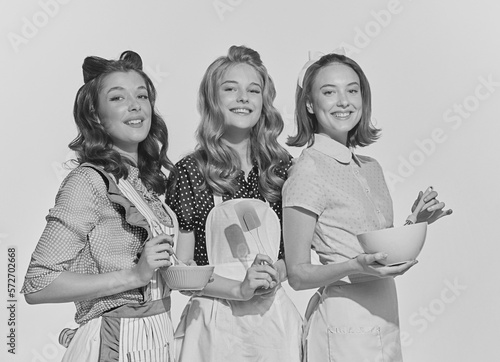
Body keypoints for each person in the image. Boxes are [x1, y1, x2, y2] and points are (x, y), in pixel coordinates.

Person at [282, 51, 453, 361]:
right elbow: (297, 274)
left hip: (385, 313)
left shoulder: (370, 167)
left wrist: (414, 222)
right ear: (309, 103)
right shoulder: (307, 170)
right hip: (344, 320)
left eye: (352, 89)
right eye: (329, 91)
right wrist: (353, 266)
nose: (344, 100)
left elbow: (373, 250)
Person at [21, 50, 179, 362]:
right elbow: (38, 284)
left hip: (158, 338)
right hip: (114, 343)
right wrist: (133, 276)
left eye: (142, 95)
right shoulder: (88, 181)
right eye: (118, 98)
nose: (135, 105)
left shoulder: (142, 182)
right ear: (95, 115)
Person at [166, 45, 303, 361]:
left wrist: (272, 276)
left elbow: (294, 257)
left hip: (275, 324)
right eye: (231, 89)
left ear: (263, 103)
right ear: (212, 100)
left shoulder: (282, 169)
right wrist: (239, 289)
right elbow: (182, 269)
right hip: (212, 325)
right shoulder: (191, 171)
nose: (244, 98)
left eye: (253, 90)